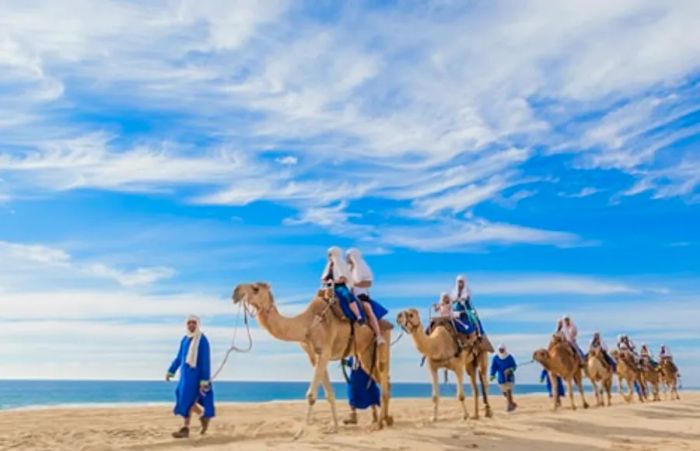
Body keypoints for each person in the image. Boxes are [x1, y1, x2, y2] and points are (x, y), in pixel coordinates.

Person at [166, 315, 215, 438]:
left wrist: (204, 379)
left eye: (194, 322)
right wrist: (171, 371)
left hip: (197, 377)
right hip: (185, 376)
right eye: (189, 323)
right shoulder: (184, 339)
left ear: (198, 324)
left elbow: (205, 360)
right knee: (184, 399)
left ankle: (185, 428)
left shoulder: (202, 340)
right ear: (186, 325)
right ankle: (202, 415)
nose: (191, 325)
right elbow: (179, 358)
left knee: (188, 400)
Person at [346, 248, 388, 345]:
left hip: (360, 296)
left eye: (348, 256)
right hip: (348, 296)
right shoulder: (347, 270)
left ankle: (378, 336)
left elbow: (368, 283)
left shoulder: (363, 268)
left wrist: (354, 284)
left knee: (368, 309)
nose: (347, 258)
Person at [322, 246, 365, 323]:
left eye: (330, 254)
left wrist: (334, 282)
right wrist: (325, 281)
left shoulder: (340, 264)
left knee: (347, 296)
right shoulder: (328, 266)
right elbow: (324, 277)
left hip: (339, 287)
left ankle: (358, 316)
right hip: (328, 288)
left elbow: (344, 279)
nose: (328, 256)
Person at [451, 275, 493, 352]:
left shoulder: (467, 290)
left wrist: (462, 299)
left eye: (461, 282)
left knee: (474, 319)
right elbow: (452, 299)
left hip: (466, 308)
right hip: (456, 309)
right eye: (459, 282)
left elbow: (466, 297)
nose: (460, 284)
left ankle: (479, 334)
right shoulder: (454, 291)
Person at [341, 357, 380, 425]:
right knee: (352, 394)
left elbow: (371, 364)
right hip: (355, 377)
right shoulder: (353, 354)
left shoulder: (367, 352)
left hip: (366, 376)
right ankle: (353, 417)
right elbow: (352, 364)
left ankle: (375, 416)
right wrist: (345, 362)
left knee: (371, 394)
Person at [490, 344, 518, 412]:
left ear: (505, 349)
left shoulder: (509, 357)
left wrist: (511, 369)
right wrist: (492, 374)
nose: (501, 351)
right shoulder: (496, 358)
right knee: (505, 393)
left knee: (508, 391)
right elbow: (494, 367)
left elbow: (514, 366)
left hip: (509, 377)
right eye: (500, 350)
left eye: (502, 349)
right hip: (501, 378)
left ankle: (509, 407)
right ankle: (512, 404)